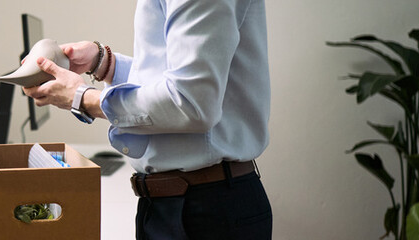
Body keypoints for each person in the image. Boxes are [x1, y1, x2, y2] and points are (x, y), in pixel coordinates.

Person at [22, 0, 271, 238]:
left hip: (206, 209)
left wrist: (83, 98)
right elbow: (172, 79)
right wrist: (105, 64)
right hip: (175, 204)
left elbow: (190, 102)